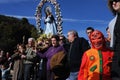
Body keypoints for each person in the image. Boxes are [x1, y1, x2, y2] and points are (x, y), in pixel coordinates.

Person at [108, 0, 120, 79]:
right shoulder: (112, 22)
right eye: (112, 2)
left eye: (116, 0)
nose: (114, 3)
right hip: (116, 56)